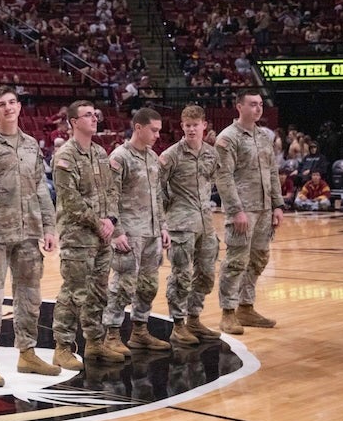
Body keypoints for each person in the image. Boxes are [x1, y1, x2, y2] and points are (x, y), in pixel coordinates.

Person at [0, 87, 61, 387]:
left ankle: (27, 353)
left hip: (29, 233)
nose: (8, 108)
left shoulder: (31, 145)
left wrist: (50, 227)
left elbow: (41, 188)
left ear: (19, 106)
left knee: (30, 297)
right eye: (1, 104)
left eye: (12, 102)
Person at [50, 101, 124, 371]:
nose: (94, 119)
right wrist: (99, 222)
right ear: (73, 122)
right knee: (73, 293)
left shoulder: (101, 153)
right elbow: (70, 200)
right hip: (78, 236)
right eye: (88, 115)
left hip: (102, 236)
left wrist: (111, 221)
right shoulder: (65, 156)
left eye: (95, 114)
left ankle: (95, 342)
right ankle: (62, 347)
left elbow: (112, 191)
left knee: (98, 292)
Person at [101, 108, 171, 355]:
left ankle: (140, 331)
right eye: (153, 130)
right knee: (123, 285)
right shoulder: (120, 157)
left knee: (148, 285)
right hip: (129, 233)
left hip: (151, 233)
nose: (157, 135)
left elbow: (158, 198)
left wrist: (163, 226)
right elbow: (110, 196)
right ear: (138, 128)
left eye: (159, 130)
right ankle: (111, 334)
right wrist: (117, 231)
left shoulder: (153, 157)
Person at [215, 90, 285, 334]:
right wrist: (235, 210)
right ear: (239, 107)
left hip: (264, 208)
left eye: (260, 104)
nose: (258, 109)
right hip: (243, 210)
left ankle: (246, 307)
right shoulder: (228, 138)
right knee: (236, 261)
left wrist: (277, 204)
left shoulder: (264, 136)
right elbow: (223, 177)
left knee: (259, 258)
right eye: (252, 104)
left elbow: (273, 172)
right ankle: (227, 312)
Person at [158, 105, 222, 346]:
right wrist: (166, 217)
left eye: (196, 125)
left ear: (204, 125)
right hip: (180, 224)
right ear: (182, 127)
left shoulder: (211, 154)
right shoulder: (171, 155)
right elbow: (158, 189)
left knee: (206, 275)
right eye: (187, 125)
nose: (191, 129)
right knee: (181, 276)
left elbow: (211, 184)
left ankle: (194, 318)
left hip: (205, 224)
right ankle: (178, 324)